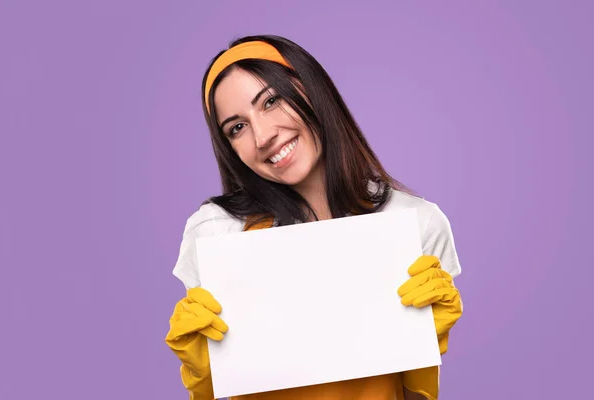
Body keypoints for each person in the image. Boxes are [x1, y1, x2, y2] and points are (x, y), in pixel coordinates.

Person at [165, 34, 463, 400]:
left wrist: (422, 348)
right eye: (237, 128)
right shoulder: (216, 233)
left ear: (311, 91)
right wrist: (203, 376)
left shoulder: (414, 224)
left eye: (271, 101)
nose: (262, 136)